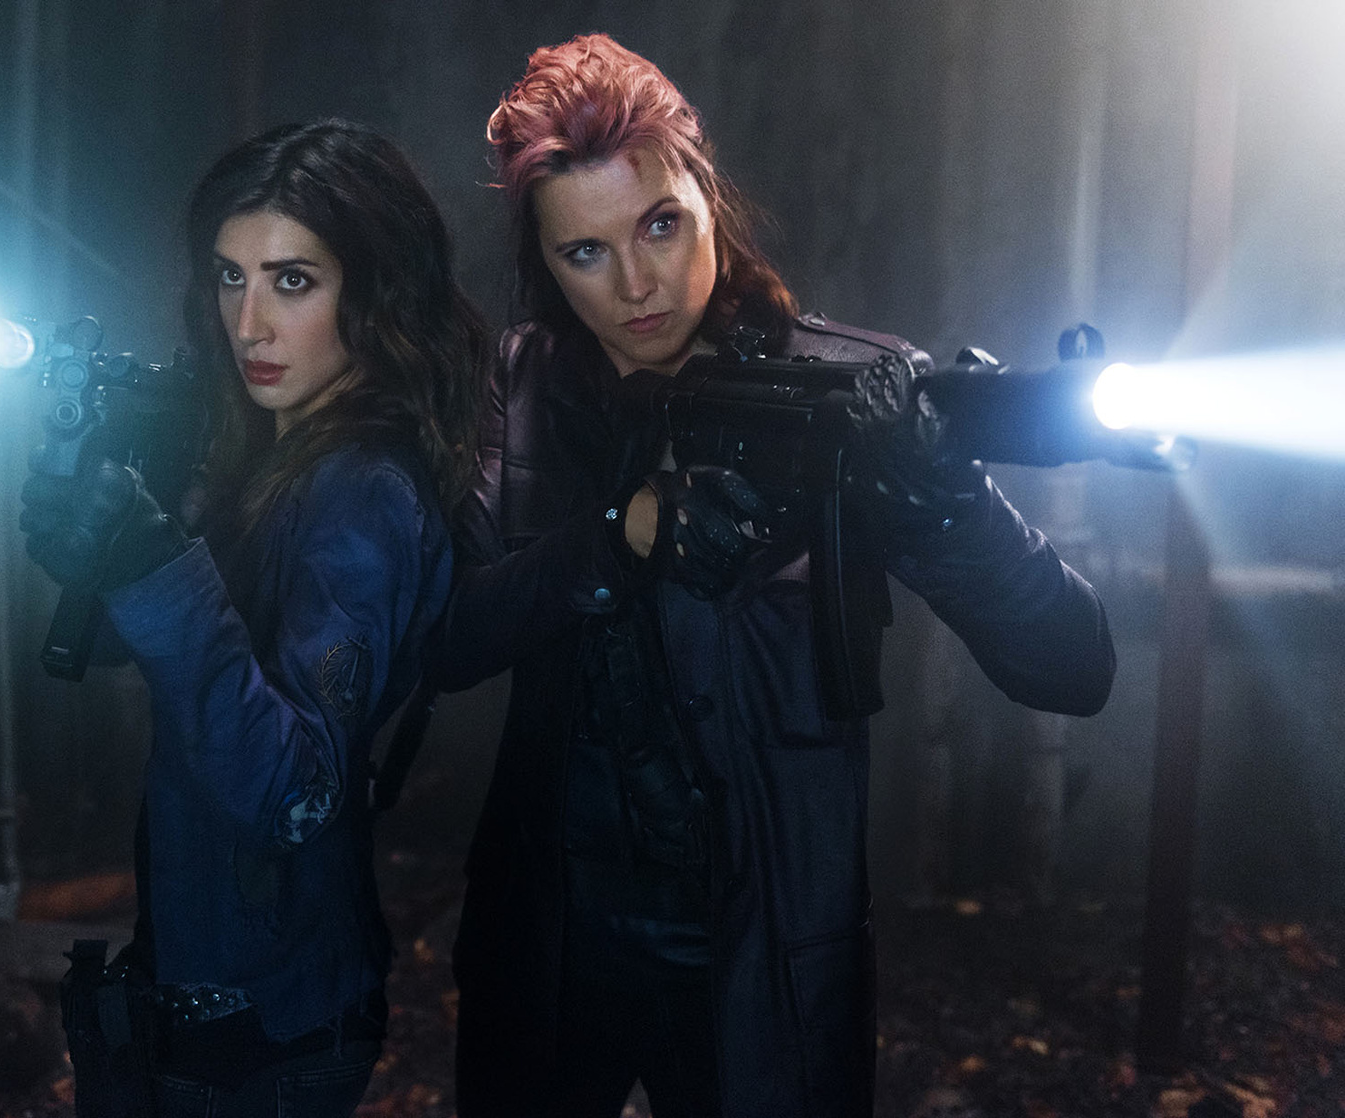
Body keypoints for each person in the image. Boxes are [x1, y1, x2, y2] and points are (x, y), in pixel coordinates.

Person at [430, 34, 1117, 1118]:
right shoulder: (514, 391)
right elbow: (443, 637)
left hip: (766, 954)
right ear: (544, 264)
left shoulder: (846, 395)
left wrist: (939, 496)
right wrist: (613, 539)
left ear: (707, 197)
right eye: (585, 252)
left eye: (660, 225)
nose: (636, 284)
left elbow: (1071, 667)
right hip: (548, 938)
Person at [19, 118, 487, 1116]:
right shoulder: (276, 455)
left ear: (374, 292)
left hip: (261, 1032)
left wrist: (152, 566)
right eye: (230, 278)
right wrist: (100, 559)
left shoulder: (362, 491)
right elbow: (197, 670)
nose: (248, 324)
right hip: (219, 997)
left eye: (292, 281)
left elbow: (293, 793)